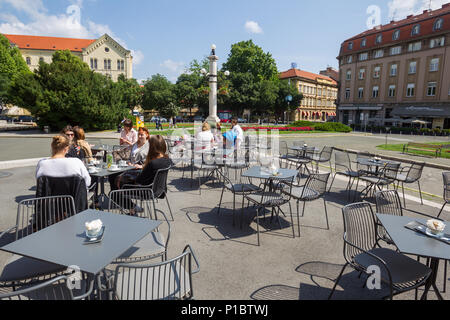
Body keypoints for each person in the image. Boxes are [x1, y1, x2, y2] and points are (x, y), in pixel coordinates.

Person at [109, 127, 150, 191]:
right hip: (130, 167)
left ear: (147, 135)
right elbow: (129, 156)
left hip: (140, 171)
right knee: (112, 174)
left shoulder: (149, 146)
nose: (139, 136)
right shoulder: (135, 144)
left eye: (142, 134)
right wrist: (128, 162)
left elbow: (151, 161)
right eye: (138, 134)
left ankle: (120, 197)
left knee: (117, 177)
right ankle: (116, 197)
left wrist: (141, 166)